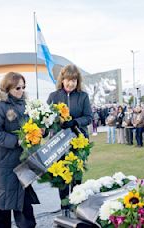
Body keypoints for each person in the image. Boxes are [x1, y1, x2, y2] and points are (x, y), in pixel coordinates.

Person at [0, 72, 39, 228]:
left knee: (24, 204)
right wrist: (16, 140)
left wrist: (37, 131)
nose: (21, 91)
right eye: (17, 88)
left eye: (23, 87)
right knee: (0, 207)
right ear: (8, 87)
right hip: (2, 164)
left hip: (21, 161)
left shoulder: (24, 104)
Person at [46, 64, 92, 217]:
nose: (70, 83)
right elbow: (46, 119)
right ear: (62, 79)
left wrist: (75, 121)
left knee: (77, 176)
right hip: (59, 141)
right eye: (68, 80)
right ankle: (64, 207)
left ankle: (77, 205)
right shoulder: (54, 96)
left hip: (78, 141)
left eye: (74, 80)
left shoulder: (83, 96)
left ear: (77, 81)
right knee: (62, 175)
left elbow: (89, 118)